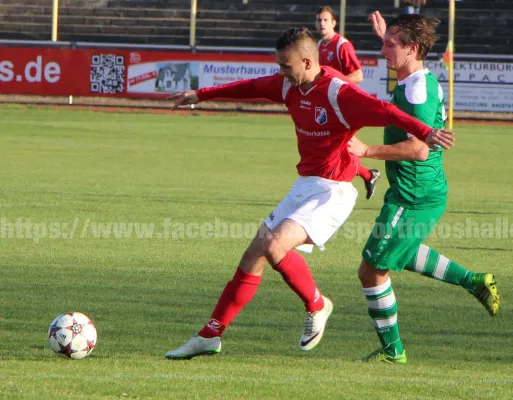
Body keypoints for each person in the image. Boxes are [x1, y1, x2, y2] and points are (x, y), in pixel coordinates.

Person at [164, 27, 454, 360]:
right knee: (254, 255)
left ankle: (318, 305)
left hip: (333, 190)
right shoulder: (289, 83)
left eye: (286, 66)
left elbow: (385, 112)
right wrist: (201, 95)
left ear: (306, 61)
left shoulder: (338, 93)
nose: (280, 73)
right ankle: (209, 335)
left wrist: (426, 131)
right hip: (305, 185)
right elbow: (251, 87)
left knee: (275, 245)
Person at [347, 12, 500, 364]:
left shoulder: (417, 89)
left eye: (389, 45)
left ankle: (393, 352)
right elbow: (403, 50)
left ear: (412, 48)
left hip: (413, 193)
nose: (382, 50)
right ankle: (475, 280)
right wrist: (389, 35)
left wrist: (366, 150)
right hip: (419, 189)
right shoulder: (414, 73)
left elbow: (419, 148)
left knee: (371, 270)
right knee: (400, 249)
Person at [316, 5, 381, 200]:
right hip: (330, 104)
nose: (321, 23)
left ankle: (345, 182)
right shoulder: (320, 45)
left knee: (337, 146)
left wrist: (333, 84)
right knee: (336, 147)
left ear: (334, 23)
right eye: (319, 20)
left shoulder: (341, 45)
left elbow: (358, 75)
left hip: (344, 104)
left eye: (325, 20)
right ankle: (368, 175)